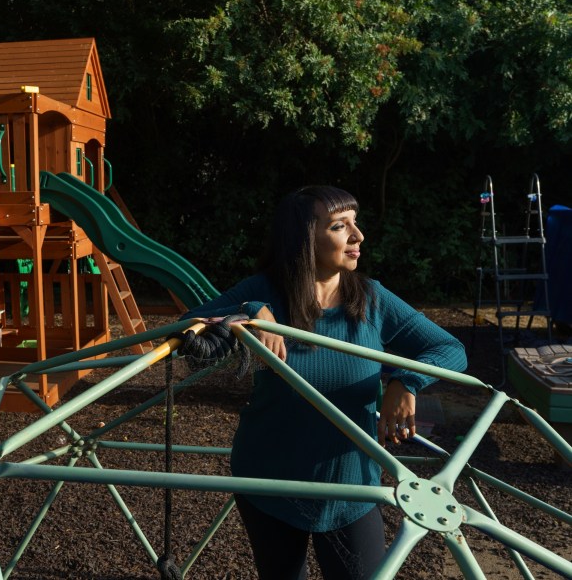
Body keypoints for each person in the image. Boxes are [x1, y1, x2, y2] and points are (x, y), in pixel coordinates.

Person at [179, 185, 467, 580]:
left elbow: (449, 348)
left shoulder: (372, 299)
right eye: (339, 225)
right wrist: (248, 312)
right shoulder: (263, 292)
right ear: (303, 238)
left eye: (355, 222)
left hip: (353, 488)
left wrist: (407, 381)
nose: (357, 235)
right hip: (269, 481)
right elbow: (184, 330)